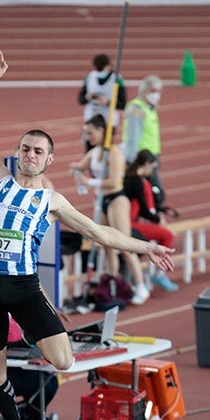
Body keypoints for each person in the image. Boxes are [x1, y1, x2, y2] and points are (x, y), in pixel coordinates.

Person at [0, 46, 175, 420]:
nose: (29, 154)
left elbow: (100, 233)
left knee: (63, 361)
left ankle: (32, 331)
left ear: (49, 160)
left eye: (37, 151)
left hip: (23, 287)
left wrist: (145, 247)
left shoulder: (52, 200)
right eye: (25, 148)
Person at [69, 114, 151, 305]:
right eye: (85, 133)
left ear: (102, 131)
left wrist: (88, 182)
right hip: (102, 201)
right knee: (106, 244)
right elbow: (79, 166)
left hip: (116, 200)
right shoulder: (95, 152)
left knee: (124, 245)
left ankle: (141, 286)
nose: (87, 137)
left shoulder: (114, 153)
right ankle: (113, 282)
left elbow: (114, 181)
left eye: (90, 133)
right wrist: (76, 172)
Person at [123, 149, 178, 292]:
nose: (153, 170)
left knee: (165, 234)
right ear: (146, 164)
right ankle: (159, 273)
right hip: (129, 224)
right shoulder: (136, 181)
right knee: (167, 235)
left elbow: (144, 207)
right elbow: (144, 209)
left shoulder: (133, 177)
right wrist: (158, 219)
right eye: (152, 166)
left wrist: (163, 210)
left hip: (130, 221)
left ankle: (153, 273)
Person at [122, 75, 165, 197]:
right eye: (153, 91)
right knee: (155, 196)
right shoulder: (136, 110)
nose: (157, 95)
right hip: (141, 161)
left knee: (152, 197)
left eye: (159, 91)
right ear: (144, 90)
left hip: (150, 159)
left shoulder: (149, 108)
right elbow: (131, 139)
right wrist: (134, 164)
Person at [77, 53, 127, 151]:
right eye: (97, 69)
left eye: (101, 69)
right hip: (91, 120)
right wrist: (87, 97)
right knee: (90, 151)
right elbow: (80, 99)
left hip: (108, 122)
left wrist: (107, 102)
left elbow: (122, 104)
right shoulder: (90, 77)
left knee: (105, 151)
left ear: (108, 66)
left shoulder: (117, 79)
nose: (99, 72)